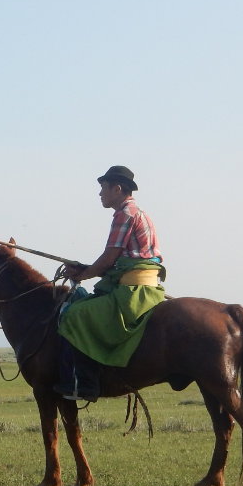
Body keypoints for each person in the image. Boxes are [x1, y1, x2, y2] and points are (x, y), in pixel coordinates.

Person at [56, 165, 166, 401]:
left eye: (103, 188)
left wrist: (81, 275)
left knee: (74, 314)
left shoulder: (124, 214)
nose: (100, 194)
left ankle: (84, 384)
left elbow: (109, 258)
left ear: (117, 188)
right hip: (140, 283)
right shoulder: (139, 213)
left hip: (131, 291)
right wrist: (86, 269)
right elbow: (115, 261)